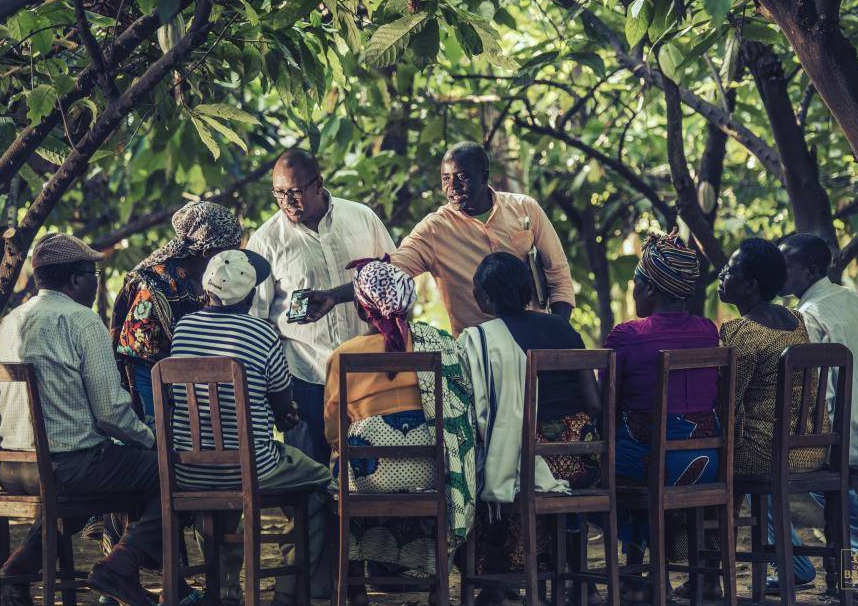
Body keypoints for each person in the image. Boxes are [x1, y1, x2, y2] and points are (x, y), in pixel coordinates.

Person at [0, 233, 159, 606]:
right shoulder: (81, 321)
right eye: (93, 275)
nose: (96, 283)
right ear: (75, 280)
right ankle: (121, 566)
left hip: (10, 467)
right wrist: (151, 440)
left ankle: (17, 571)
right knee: (171, 470)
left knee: (89, 482)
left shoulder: (10, 320)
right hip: (64, 468)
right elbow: (110, 414)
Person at [169, 249, 331, 605]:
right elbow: (280, 398)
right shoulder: (260, 332)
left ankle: (224, 590)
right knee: (320, 483)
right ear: (252, 295)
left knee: (220, 495)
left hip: (190, 467)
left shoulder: (183, 328)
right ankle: (292, 592)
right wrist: (285, 413)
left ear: (207, 288)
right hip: (250, 466)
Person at [304, 141, 576, 337]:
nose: (452, 188)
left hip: (533, 339)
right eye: (446, 179)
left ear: (484, 176)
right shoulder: (434, 229)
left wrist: (556, 332)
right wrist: (332, 296)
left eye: (462, 178)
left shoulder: (524, 209)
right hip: (477, 349)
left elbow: (558, 273)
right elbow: (390, 272)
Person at [323, 258, 476, 605]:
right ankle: (437, 589)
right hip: (433, 471)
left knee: (336, 473)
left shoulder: (342, 356)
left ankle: (356, 590)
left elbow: (333, 431)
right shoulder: (440, 345)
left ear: (363, 309)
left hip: (367, 478)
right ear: (408, 302)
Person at [458, 252, 602, 606]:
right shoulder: (562, 327)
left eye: (476, 289)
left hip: (528, 461)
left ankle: (495, 584)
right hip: (581, 461)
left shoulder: (478, 339)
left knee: (484, 465)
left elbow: (476, 414)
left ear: (488, 298)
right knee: (517, 458)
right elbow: (594, 403)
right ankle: (581, 583)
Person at [246, 148, 396, 466]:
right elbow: (258, 322)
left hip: (366, 370)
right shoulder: (265, 241)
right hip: (304, 376)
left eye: (296, 192)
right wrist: (274, 394)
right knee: (310, 480)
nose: (288, 202)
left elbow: (392, 278)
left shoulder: (361, 218)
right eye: (280, 193)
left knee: (374, 470)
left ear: (318, 184)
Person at [603, 231, 722, 602]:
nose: (633, 290)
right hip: (708, 461)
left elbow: (607, 400)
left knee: (616, 457)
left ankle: (638, 575)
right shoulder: (708, 332)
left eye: (636, 283)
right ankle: (698, 579)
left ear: (651, 289)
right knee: (643, 449)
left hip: (652, 463)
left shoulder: (627, 335)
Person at [780, 233, 858, 550]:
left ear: (808, 271)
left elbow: (823, 394)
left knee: (800, 463)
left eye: (786, 265)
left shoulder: (808, 315)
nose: (779, 272)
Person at [718, 237, 829, 590]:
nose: (721, 275)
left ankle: (708, 574)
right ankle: (794, 566)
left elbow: (728, 404)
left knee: (709, 461)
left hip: (766, 455)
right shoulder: (797, 321)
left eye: (730, 270)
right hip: (811, 448)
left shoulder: (744, 333)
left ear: (750, 285)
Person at [112, 201, 243, 426]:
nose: (236, 255)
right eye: (231, 250)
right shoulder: (156, 284)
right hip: (153, 387)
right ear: (208, 252)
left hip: (195, 386)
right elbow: (139, 358)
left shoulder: (210, 280)